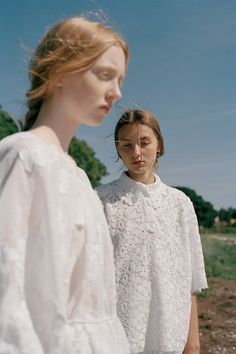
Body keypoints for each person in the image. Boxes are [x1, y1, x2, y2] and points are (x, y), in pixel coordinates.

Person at [0, 16, 130, 353]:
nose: (117, 92)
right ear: (60, 70)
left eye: (119, 80)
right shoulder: (24, 157)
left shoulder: (78, 176)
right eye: (104, 75)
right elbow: (8, 297)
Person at [97, 109, 208, 354]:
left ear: (159, 145)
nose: (136, 153)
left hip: (169, 337)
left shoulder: (180, 204)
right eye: (126, 145)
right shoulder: (101, 201)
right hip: (116, 337)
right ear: (118, 150)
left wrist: (193, 342)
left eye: (144, 143)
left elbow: (191, 281)